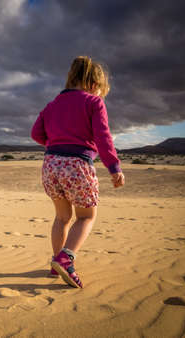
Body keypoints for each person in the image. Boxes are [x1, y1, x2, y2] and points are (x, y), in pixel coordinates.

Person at [30, 56, 125, 288]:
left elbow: (35, 133)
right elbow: (103, 138)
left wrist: (56, 143)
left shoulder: (52, 105)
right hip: (77, 166)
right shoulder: (93, 102)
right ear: (94, 85)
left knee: (62, 218)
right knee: (86, 217)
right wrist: (114, 168)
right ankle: (66, 258)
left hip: (51, 164)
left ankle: (55, 264)